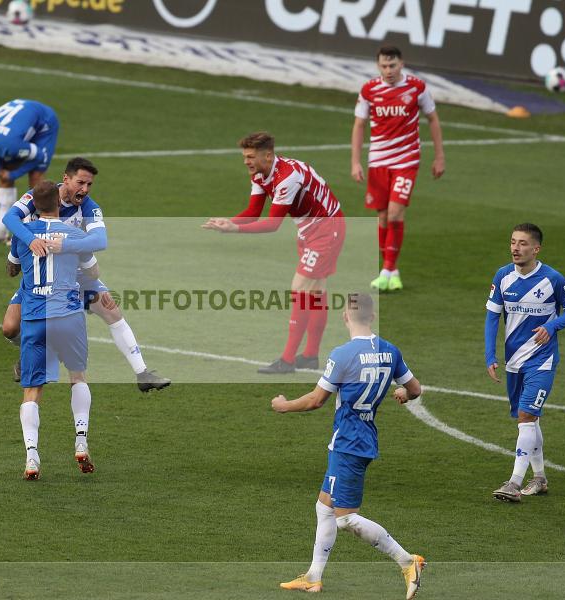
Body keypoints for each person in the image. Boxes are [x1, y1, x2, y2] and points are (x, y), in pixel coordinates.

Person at [271, 292, 425, 599]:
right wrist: (403, 396)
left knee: (345, 518)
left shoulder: (342, 355)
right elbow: (414, 389)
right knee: (324, 506)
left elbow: (316, 400)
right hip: (364, 436)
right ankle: (313, 577)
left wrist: (284, 405)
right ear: (372, 316)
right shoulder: (390, 351)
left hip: (348, 443)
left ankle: (408, 561)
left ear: (345, 316)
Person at [3, 157, 170, 392]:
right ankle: (34, 352)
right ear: (66, 179)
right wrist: (31, 241)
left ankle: (143, 373)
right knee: (10, 328)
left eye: (89, 184)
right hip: (40, 276)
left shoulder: (89, 207)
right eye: (80, 182)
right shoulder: (40, 196)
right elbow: (9, 218)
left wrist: (66, 245)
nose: (85, 189)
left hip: (76, 273)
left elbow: (100, 240)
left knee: (111, 310)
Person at [203, 132, 345, 374]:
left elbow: (272, 224)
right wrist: (228, 221)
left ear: (267, 156)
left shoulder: (287, 178)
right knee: (316, 292)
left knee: (300, 288)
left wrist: (234, 230)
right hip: (309, 229)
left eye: (250, 156)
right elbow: (253, 212)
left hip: (325, 229)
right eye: (244, 156)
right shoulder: (260, 174)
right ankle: (310, 356)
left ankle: (287, 360)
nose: (246, 161)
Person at [11, 180, 107, 480]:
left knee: (32, 389)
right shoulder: (73, 234)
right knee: (77, 375)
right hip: (68, 315)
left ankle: (32, 457)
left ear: (33, 205)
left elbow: (11, 268)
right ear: (58, 201)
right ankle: (81, 441)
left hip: (35, 318)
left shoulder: (22, 236)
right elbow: (93, 271)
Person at [485, 223, 565, 501]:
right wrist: (490, 355)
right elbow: (492, 317)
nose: (516, 248)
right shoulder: (503, 277)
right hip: (514, 361)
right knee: (527, 419)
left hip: (542, 360)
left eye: (523, 243)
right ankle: (539, 478)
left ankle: (514, 483)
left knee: (527, 416)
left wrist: (552, 327)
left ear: (536, 249)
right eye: (513, 242)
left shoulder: (552, 279)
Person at [350, 46, 445, 292]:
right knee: (382, 216)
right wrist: (355, 161)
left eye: (392, 65)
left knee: (394, 214)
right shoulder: (369, 90)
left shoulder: (417, 88)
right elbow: (359, 125)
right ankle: (392, 271)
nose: (388, 70)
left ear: (402, 63)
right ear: (377, 66)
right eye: (383, 66)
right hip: (378, 161)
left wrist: (439, 156)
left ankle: (385, 270)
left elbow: (432, 119)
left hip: (406, 160)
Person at [0, 99, 59, 243]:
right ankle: (2, 231)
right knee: (3, 173)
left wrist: (13, 174)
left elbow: (40, 156)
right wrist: (6, 174)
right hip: (12, 130)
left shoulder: (10, 146)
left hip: (44, 122)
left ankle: (36, 229)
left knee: (36, 176)